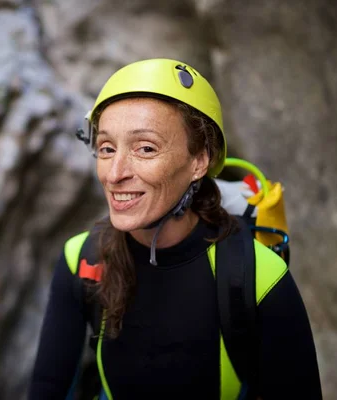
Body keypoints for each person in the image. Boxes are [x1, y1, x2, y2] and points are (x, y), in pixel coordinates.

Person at [28, 58, 322, 399]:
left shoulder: (258, 276)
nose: (114, 172)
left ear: (199, 161)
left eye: (146, 148)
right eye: (106, 148)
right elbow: (47, 388)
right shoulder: (81, 259)